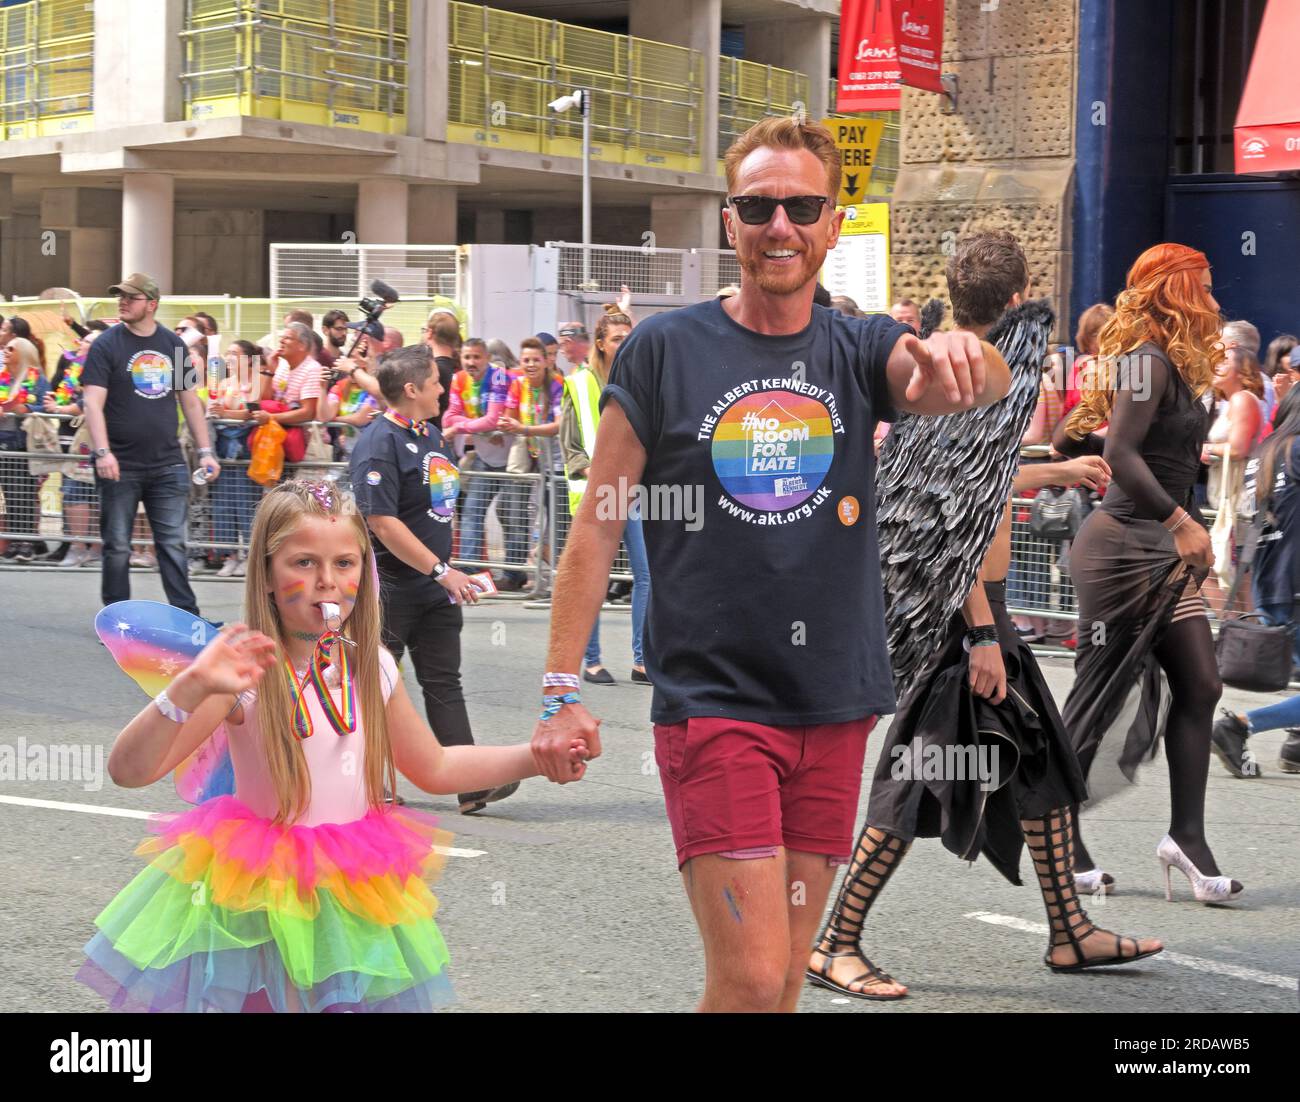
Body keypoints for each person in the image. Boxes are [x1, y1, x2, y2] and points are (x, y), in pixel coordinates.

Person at [530, 117, 1012, 1013]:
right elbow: (597, 526)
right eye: (759, 205)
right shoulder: (663, 349)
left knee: (786, 979)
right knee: (749, 978)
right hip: (717, 706)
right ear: (730, 222)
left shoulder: (861, 348)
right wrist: (561, 688)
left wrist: (966, 350)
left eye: (801, 205)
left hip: (834, 702)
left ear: (832, 223)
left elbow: (971, 383)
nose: (779, 224)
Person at [807, 231, 1161, 1000]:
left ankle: (1069, 932)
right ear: (1013, 300)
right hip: (964, 614)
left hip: (969, 608)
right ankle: (834, 940)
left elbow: (971, 481)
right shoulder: (985, 379)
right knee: (916, 774)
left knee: (1041, 764)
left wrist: (1055, 466)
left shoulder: (941, 367)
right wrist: (979, 635)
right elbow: (950, 518)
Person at [78, 478, 579, 1012]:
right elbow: (130, 770)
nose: (327, 582)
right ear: (267, 575)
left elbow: (433, 766)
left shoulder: (374, 667)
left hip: (354, 890)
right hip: (258, 895)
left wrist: (535, 756)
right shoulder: (241, 674)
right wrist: (192, 685)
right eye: (303, 563)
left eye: (345, 563)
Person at [1053, 243, 1243, 905]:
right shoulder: (1144, 361)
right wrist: (1180, 523)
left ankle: (1185, 839)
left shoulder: (1175, 364)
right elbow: (1121, 452)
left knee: (1202, 682)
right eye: (1205, 283)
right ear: (1174, 288)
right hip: (1121, 549)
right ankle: (1059, 833)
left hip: (1159, 547)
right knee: (1099, 701)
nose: (1215, 297)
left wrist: (1185, 534)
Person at [350, 345, 520, 816]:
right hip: (390, 588)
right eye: (434, 382)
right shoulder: (377, 442)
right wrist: (443, 571)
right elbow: (382, 521)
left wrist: (446, 574)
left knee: (445, 682)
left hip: (434, 586)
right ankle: (368, 782)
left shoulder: (430, 435)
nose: (443, 389)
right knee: (376, 686)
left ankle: (471, 785)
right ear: (411, 389)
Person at [81, 274, 219, 615]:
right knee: (117, 546)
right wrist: (102, 452)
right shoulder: (105, 345)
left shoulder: (173, 344)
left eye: (132, 297)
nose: (123, 301)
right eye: (120, 296)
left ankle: (188, 616)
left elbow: (190, 402)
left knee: (172, 543)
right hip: (119, 464)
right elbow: (92, 403)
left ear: (152, 304)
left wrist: (205, 451)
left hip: (167, 463)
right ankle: (117, 616)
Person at [558, 303, 650, 684]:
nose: (624, 343)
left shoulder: (642, 379)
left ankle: (642, 660)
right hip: (596, 495)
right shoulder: (579, 383)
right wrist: (599, 475)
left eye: (628, 337)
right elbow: (571, 447)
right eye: (616, 339)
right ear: (600, 343)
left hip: (636, 495)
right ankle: (592, 660)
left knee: (646, 575)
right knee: (593, 575)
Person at [1211, 385, 1300, 779]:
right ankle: (1239, 726)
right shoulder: (1297, 450)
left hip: (1270, 581)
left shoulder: (1265, 453)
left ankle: (1294, 746)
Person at [498, 336, 564, 593]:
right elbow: (508, 417)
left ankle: (554, 577)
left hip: (557, 460)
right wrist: (507, 425)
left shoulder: (557, 385)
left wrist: (523, 428)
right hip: (533, 456)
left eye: (536, 360)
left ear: (547, 361)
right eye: (526, 360)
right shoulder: (518, 385)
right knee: (515, 509)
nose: (531, 364)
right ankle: (526, 574)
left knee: (555, 517)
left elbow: (559, 425)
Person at [442, 338, 513, 574]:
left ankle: (515, 575)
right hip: (485, 458)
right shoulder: (458, 378)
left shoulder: (499, 376)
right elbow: (448, 418)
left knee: (513, 517)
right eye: (467, 357)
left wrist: (461, 427)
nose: (471, 362)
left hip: (513, 460)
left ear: (487, 358)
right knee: (472, 511)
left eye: (476, 357)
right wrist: (478, 428)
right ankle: (471, 571)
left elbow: (493, 419)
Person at [1202, 345, 1266, 603]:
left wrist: (1204, 449)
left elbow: (1238, 448)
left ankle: (1239, 630)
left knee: (1217, 570)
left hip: (1239, 504)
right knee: (1230, 572)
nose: (1217, 364)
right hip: (1229, 503)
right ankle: (1239, 631)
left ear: (1242, 370)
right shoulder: (1230, 402)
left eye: (1225, 360)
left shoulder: (1243, 399)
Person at [207, 340, 269, 577]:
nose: (230, 357)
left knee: (246, 503)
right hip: (223, 446)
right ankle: (230, 555)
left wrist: (226, 413)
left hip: (245, 447)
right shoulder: (223, 382)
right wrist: (216, 411)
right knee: (223, 503)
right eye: (228, 353)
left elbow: (251, 412)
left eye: (235, 353)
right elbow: (216, 408)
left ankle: (248, 555)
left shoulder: (259, 379)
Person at [44, 330, 102, 567]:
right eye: (83, 340)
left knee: (100, 496)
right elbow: (60, 397)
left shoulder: (106, 368)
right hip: (76, 440)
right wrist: (58, 404)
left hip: (104, 440)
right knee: (73, 491)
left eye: (89, 341)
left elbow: (91, 402)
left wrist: (63, 409)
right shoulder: (72, 367)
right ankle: (78, 546)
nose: (82, 344)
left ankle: (98, 547)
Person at [0, 337, 50, 562]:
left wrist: (25, 408)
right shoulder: (3, 377)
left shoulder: (36, 378)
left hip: (25, 442)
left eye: (11, 348)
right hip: (4, 443)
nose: (6, 351)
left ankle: (27, 541)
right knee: (10, 493)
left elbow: (46, 405)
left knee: (26, 493)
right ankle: (14, 538)